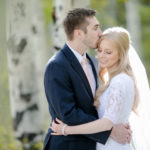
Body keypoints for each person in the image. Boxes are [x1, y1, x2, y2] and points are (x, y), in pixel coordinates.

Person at [43, 8, 131, 150]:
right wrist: (110, 130)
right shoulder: (57, 66)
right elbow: (68, 114)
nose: (100, 33)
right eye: (95, 28)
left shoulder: (92, 61)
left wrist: (114, 122)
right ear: (79, 33)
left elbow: (92, 107)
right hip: (68, 146)